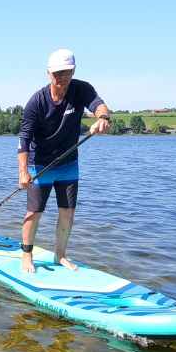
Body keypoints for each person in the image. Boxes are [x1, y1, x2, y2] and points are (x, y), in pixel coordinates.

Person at [17, 48, 111, 273]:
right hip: (40, 164)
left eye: (66, 72)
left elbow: (99, 105)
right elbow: (24, 138)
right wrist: (23, 172)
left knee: (67, 212)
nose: (61, 78)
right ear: (48, 73)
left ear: (73, 71)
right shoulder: (37, 101)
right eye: (57, 73)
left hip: (69, 164)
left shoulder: (81, 89)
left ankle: (60, 255)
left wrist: (103, 118)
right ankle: (26, 255)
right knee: (34, 212)